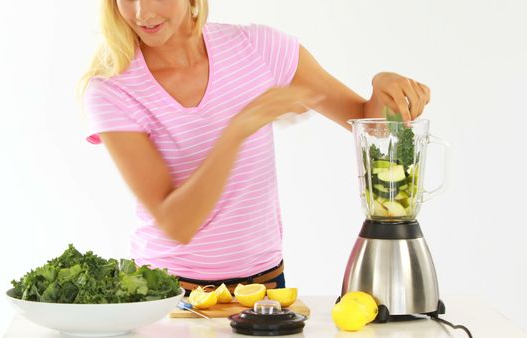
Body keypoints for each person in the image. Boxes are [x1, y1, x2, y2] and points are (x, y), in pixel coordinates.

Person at [78, 0, 430, 294]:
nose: (142, 12)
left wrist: (382, 87)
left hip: (265, 286)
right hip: (165, 295)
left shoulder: (258, 48)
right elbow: (178, 224)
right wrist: (239, 129)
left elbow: (369, 126)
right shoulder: (113, 89)